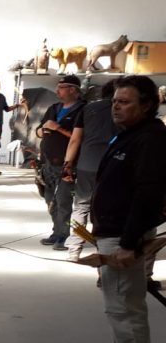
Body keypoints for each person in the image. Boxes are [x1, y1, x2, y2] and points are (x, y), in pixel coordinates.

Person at [89, 75, 166, 343]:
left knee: (125, 311)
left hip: (123, 237)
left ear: (147, 105)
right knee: (120, 306)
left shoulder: (150, 139)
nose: (116, 108)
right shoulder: (131, 134)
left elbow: (147, 193)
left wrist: (129, 243)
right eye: (115, 102)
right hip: (112, 232)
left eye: (125, 102)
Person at [63, 81, 118, 261]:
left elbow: (75, 140)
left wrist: (67, 165)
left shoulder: (87, 109)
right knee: (107, 208)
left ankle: (74, 248)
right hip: (113, 166)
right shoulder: (127, 111)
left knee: (81, 207)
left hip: (87, 164)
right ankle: (104, 248)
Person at [37, 74, 86, 250]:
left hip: (68, 164)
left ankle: (64, 236)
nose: (57, 91)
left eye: (61, 88)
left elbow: (79, 138)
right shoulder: (54, 108)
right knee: (50, 200)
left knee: (63, 201)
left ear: (73, 90)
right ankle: (56, 232)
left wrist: (58, 128)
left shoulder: (83, 110)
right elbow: (39, 130)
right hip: (48, 162)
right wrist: (43, 130)